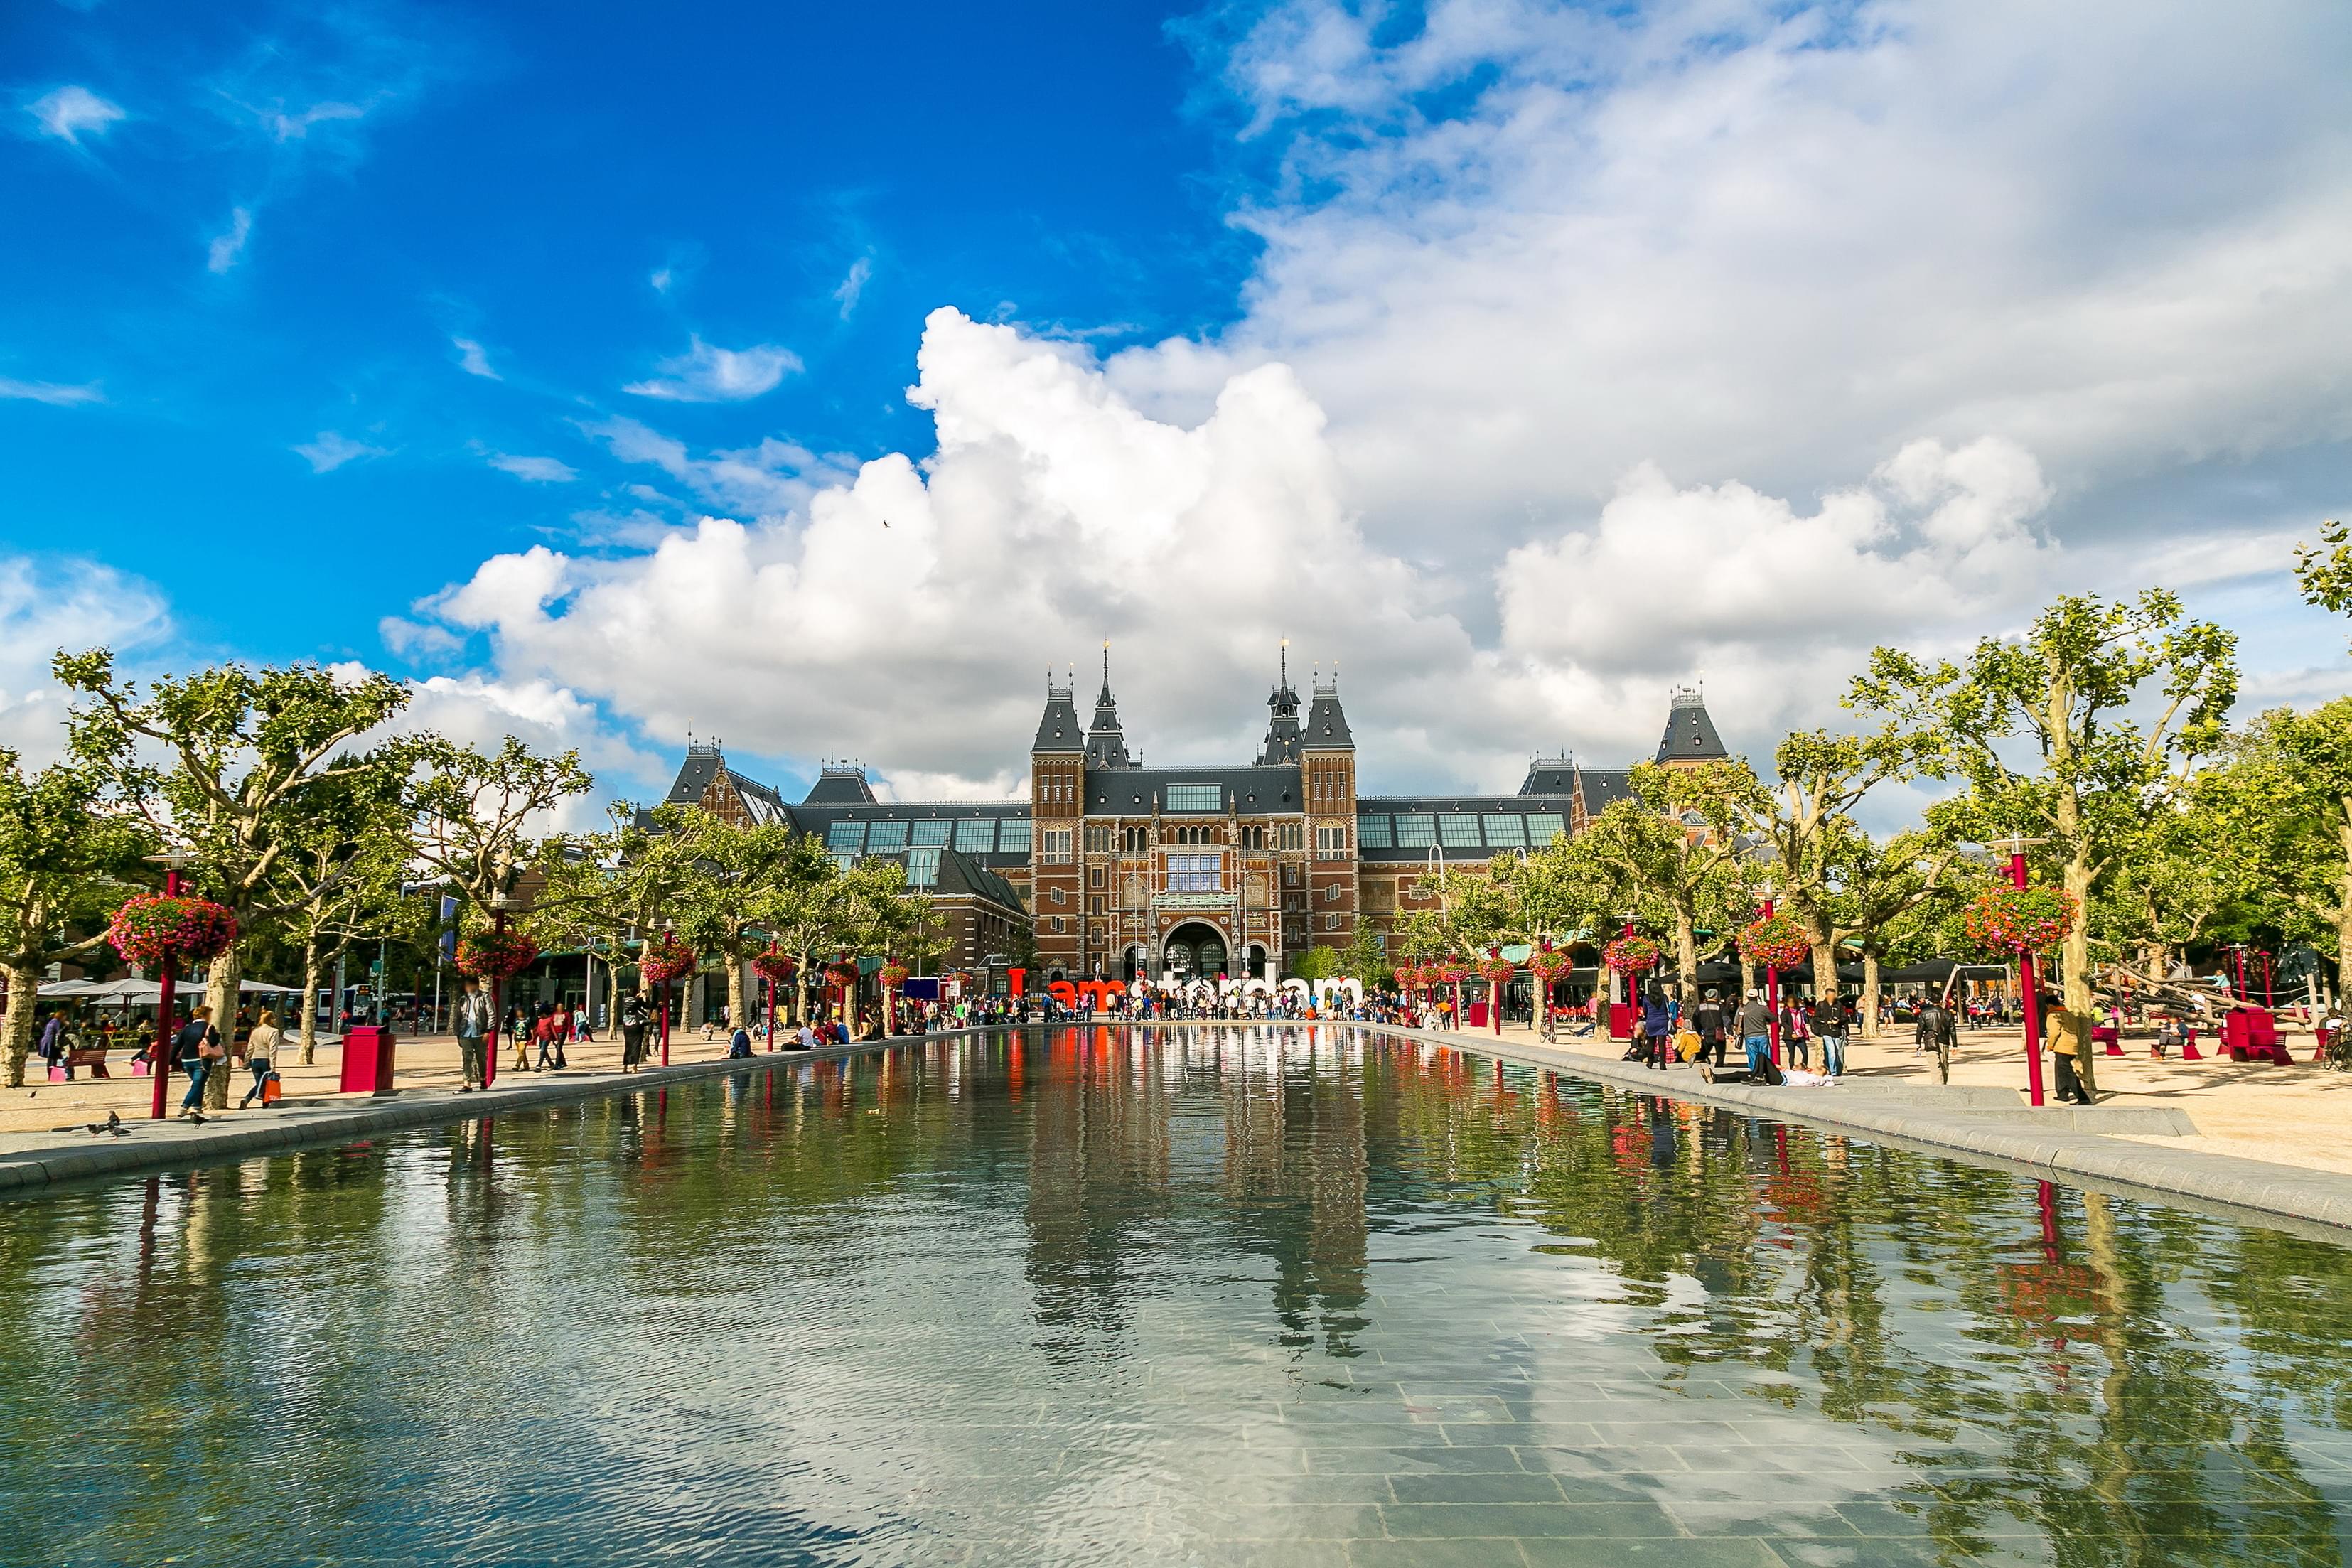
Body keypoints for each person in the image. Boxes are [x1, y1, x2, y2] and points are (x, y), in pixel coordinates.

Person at [176, 1006, 222, 1115]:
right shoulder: (208, 1027)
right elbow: (214, 1042)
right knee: (197, 1084)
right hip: (201, 1059)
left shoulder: (187, 1028)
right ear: (205, 1015)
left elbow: (178, 1045)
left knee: (198, 1084)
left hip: (186, 1060)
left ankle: (197, 1107)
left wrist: (170, 1060)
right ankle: (185, 1106)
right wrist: (217, 1035)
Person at [239, 1009, 281, 1108]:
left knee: (260, 1082)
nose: (275, 1021)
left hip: (255, 1059)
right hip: (265, 1059)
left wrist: (246, 1061)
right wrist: (273, 1065)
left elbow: (250, 1048)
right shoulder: (274, 1031)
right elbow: (273, 1049)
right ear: (271, 1019)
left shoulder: (255, 1031)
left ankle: (249, 1100)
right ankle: (258, 1101)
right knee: (265, 1083)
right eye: (274, 1019)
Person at [455, 979, 492, 1092]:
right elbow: (458, 1017)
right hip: (465, 1032)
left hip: (480, 1032)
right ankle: (467, 1084)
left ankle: (483, 1079)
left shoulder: (485, 997)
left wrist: (488, 1031)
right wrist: (458, 1033)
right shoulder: (463, 999)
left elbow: (491, 1014)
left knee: (481, 1059)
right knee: (467, 1057)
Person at [1735, 990, 1773, 1080]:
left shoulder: (1742, 1009)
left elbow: (1736, 1022)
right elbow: (1773, 1018)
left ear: (1747, 997)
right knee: (1765, 1055)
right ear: (1757, 997)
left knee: (1753, 1056)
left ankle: (1755, 1073)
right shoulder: (1763, 1008)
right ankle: (1766, 1074)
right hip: (1762, 1034)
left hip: (1749, 1036)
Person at [1815, 993, 1848, 1078]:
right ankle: (1832, 1071)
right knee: (1831, 1052)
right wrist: (1826, 1021)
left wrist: (1838, 1021)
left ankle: (1837, 1070)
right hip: (1826, 1032)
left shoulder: (1839, 1005)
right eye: (1830, 995)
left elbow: (1845, 1018)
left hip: (1837, 1032)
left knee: (1837, 1053)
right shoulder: (1821, 1005)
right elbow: (1815, 1018)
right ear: (1826, 995)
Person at [1692, 989, 1728, 1068]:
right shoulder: (1720, 1006)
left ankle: (1696, 1056)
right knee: (1720, 1053)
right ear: (1716, 996)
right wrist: (1729, 1031)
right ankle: (1719, 1067)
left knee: (1704, 1052)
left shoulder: (1701, 1007)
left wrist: (1699, 1031)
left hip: (1706, 1033)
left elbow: (1695, 1019)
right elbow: (1726, 1019)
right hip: (1718, 1034)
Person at [620, 997, 650, 1073]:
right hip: (636, 1025)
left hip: (626, 1025)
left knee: (628, 1046)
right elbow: (647, 1006)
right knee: (636, 1046)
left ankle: (625, 1067)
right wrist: (644, 998)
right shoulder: (638, 1000)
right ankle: (634, 1067)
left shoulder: (624, 1000)